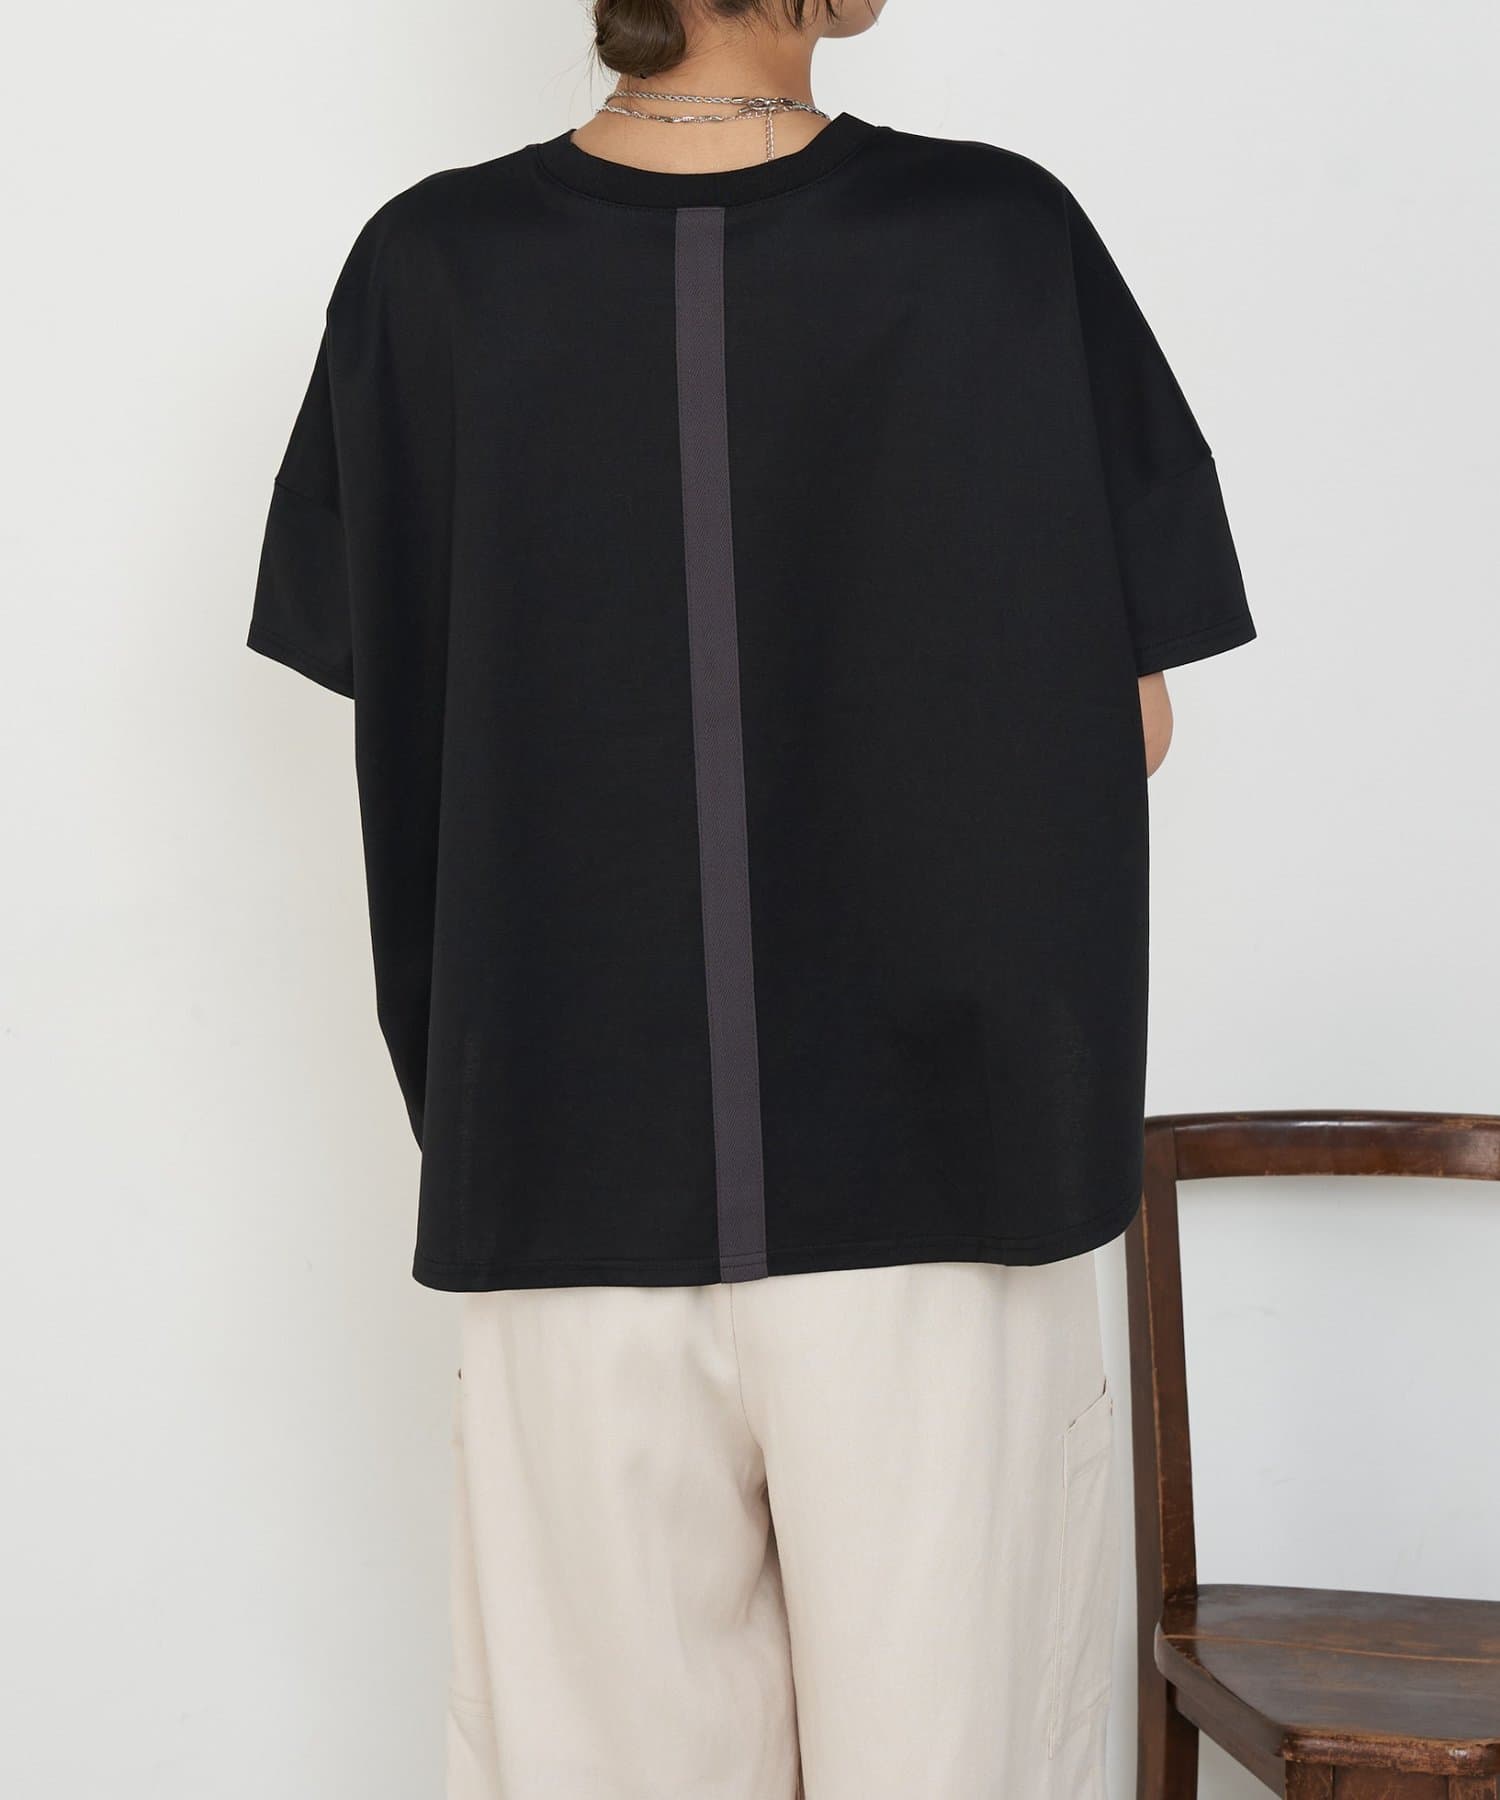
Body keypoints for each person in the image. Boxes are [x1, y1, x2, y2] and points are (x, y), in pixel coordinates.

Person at [246, 0, 1256, 1793]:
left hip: (561, 1164)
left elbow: (399, 686)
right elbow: (1133, 726)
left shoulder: (429, 272)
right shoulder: (997, 239)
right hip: (948, 1185)